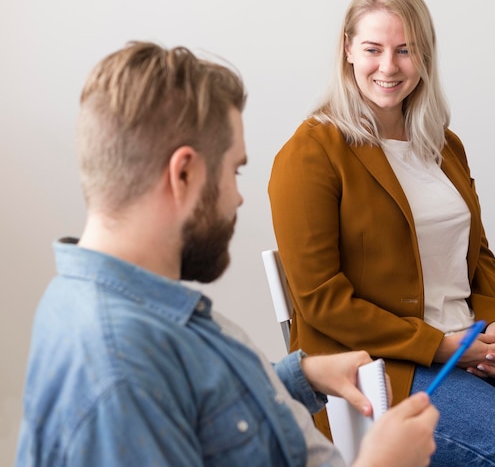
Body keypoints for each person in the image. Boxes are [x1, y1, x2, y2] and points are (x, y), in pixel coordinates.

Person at [16, 41, 440, 467]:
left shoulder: (104, 300)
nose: (238, 198)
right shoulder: (118, 371)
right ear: (183, 173)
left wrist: (298, 377)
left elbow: (190, 411)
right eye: (234, 171)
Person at [268, 0, 495, 467]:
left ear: (425, 56)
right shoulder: (311, 152)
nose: (388, 67)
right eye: (373, 49)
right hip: (385, 365)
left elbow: (477, 256)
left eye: (406, 50)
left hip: (472, 341)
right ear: (348, 50)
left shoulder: (442, 144)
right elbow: (322, 301)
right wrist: (440, 345)